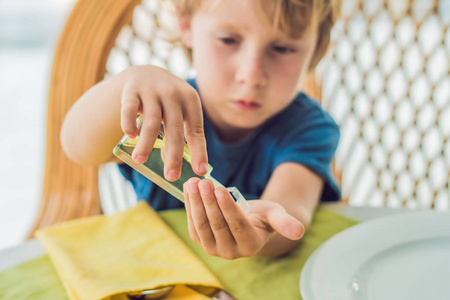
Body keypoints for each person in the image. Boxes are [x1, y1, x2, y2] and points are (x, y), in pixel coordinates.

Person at [61, 0, 342, 259]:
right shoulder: (157, 110)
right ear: (185, 26)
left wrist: (263, 234)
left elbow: (291, 211)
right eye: (228, 40)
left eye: (283, 48)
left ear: (317, 47)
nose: (251, 75)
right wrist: (128, 82)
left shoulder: (309, 128)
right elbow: (77, 145)